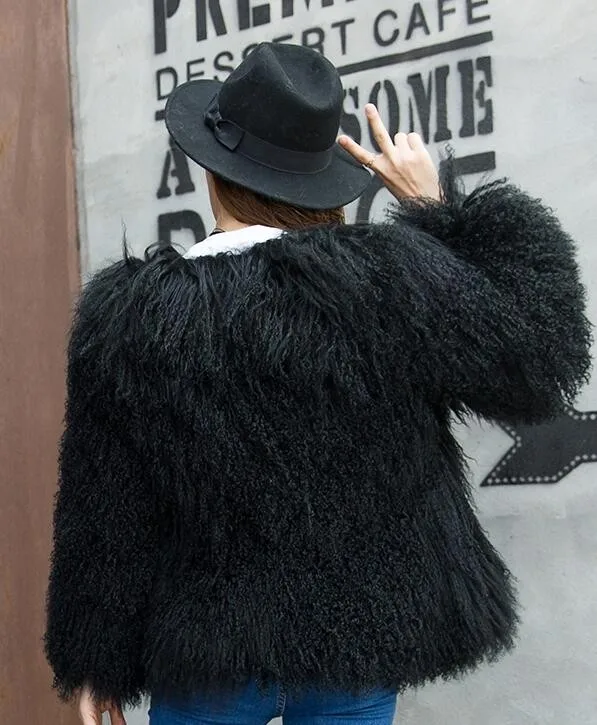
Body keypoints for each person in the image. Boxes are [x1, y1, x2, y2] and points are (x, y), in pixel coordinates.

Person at [45, 42, 591, 725]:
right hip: (355, 648)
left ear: (211, 169)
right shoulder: (391, 284)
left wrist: (95, 656)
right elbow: (540, 360)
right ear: (318, 177)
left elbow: (108, 502)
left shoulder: (134, 315)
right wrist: (436, 205)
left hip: (208, 652)